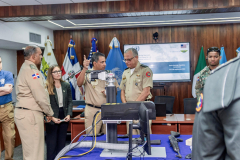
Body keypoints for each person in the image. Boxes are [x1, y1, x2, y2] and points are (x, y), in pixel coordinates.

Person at [14, 45, 53, 160]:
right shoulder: (31, 70)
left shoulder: (25, 68)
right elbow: (40, 95)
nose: (41, 57)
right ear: (33, 56)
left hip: (26, 113)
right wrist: (49, 112)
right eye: (40, 54)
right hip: (30, 115)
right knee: (34, 153)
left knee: (30, 151)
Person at [192, 47, 223, 159]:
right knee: (208, 136)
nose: (213, 59)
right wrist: (200, 111)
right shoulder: (202, 74)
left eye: (215, 56)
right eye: (210, 57)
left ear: (219, 57)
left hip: (222, 110)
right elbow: (199, 94)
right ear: (207, 58)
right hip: (207, 110)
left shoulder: (225, 71)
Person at [77, 52, 118, 134]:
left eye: (105, 61)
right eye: (102, 62)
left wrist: (109, 92)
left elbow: (115, 91)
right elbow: (79, 83)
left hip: (108, 110)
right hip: (93, 110)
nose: (105, 64)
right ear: (94, 63)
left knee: (109, 137)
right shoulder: (87, 73)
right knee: (92, 138)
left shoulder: (109, 74)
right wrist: (84, 68)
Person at [119, 48, 153, 135]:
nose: (126, 62)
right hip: (129, 110)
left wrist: (133, 106)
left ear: (136, 57)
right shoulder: (125, 72)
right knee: (131, 138)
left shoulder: (145, 70)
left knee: (144, 138)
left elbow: (146, 92)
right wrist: (125, 105)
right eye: (125, 60)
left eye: (129, 59)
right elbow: (122, 90)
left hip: (142, 108)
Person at [45, 65, 73, 160]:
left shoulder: (66, 85)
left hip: (63, 114)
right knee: (51, 143)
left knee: (61, 142)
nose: (58, 73)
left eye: (59, 71)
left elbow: (70, 101)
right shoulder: (47, 86)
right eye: (55, 72)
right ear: (51, 74)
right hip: (52, 115)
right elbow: (45, 104)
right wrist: (51, 117)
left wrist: (69, 114)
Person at [0, 56, 15, 160]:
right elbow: (5, 89)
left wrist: (6, 89)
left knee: (9, 137)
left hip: (6, 109)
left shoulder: (7, 74)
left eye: (0, 62)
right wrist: (3, 88)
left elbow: (9, 90)